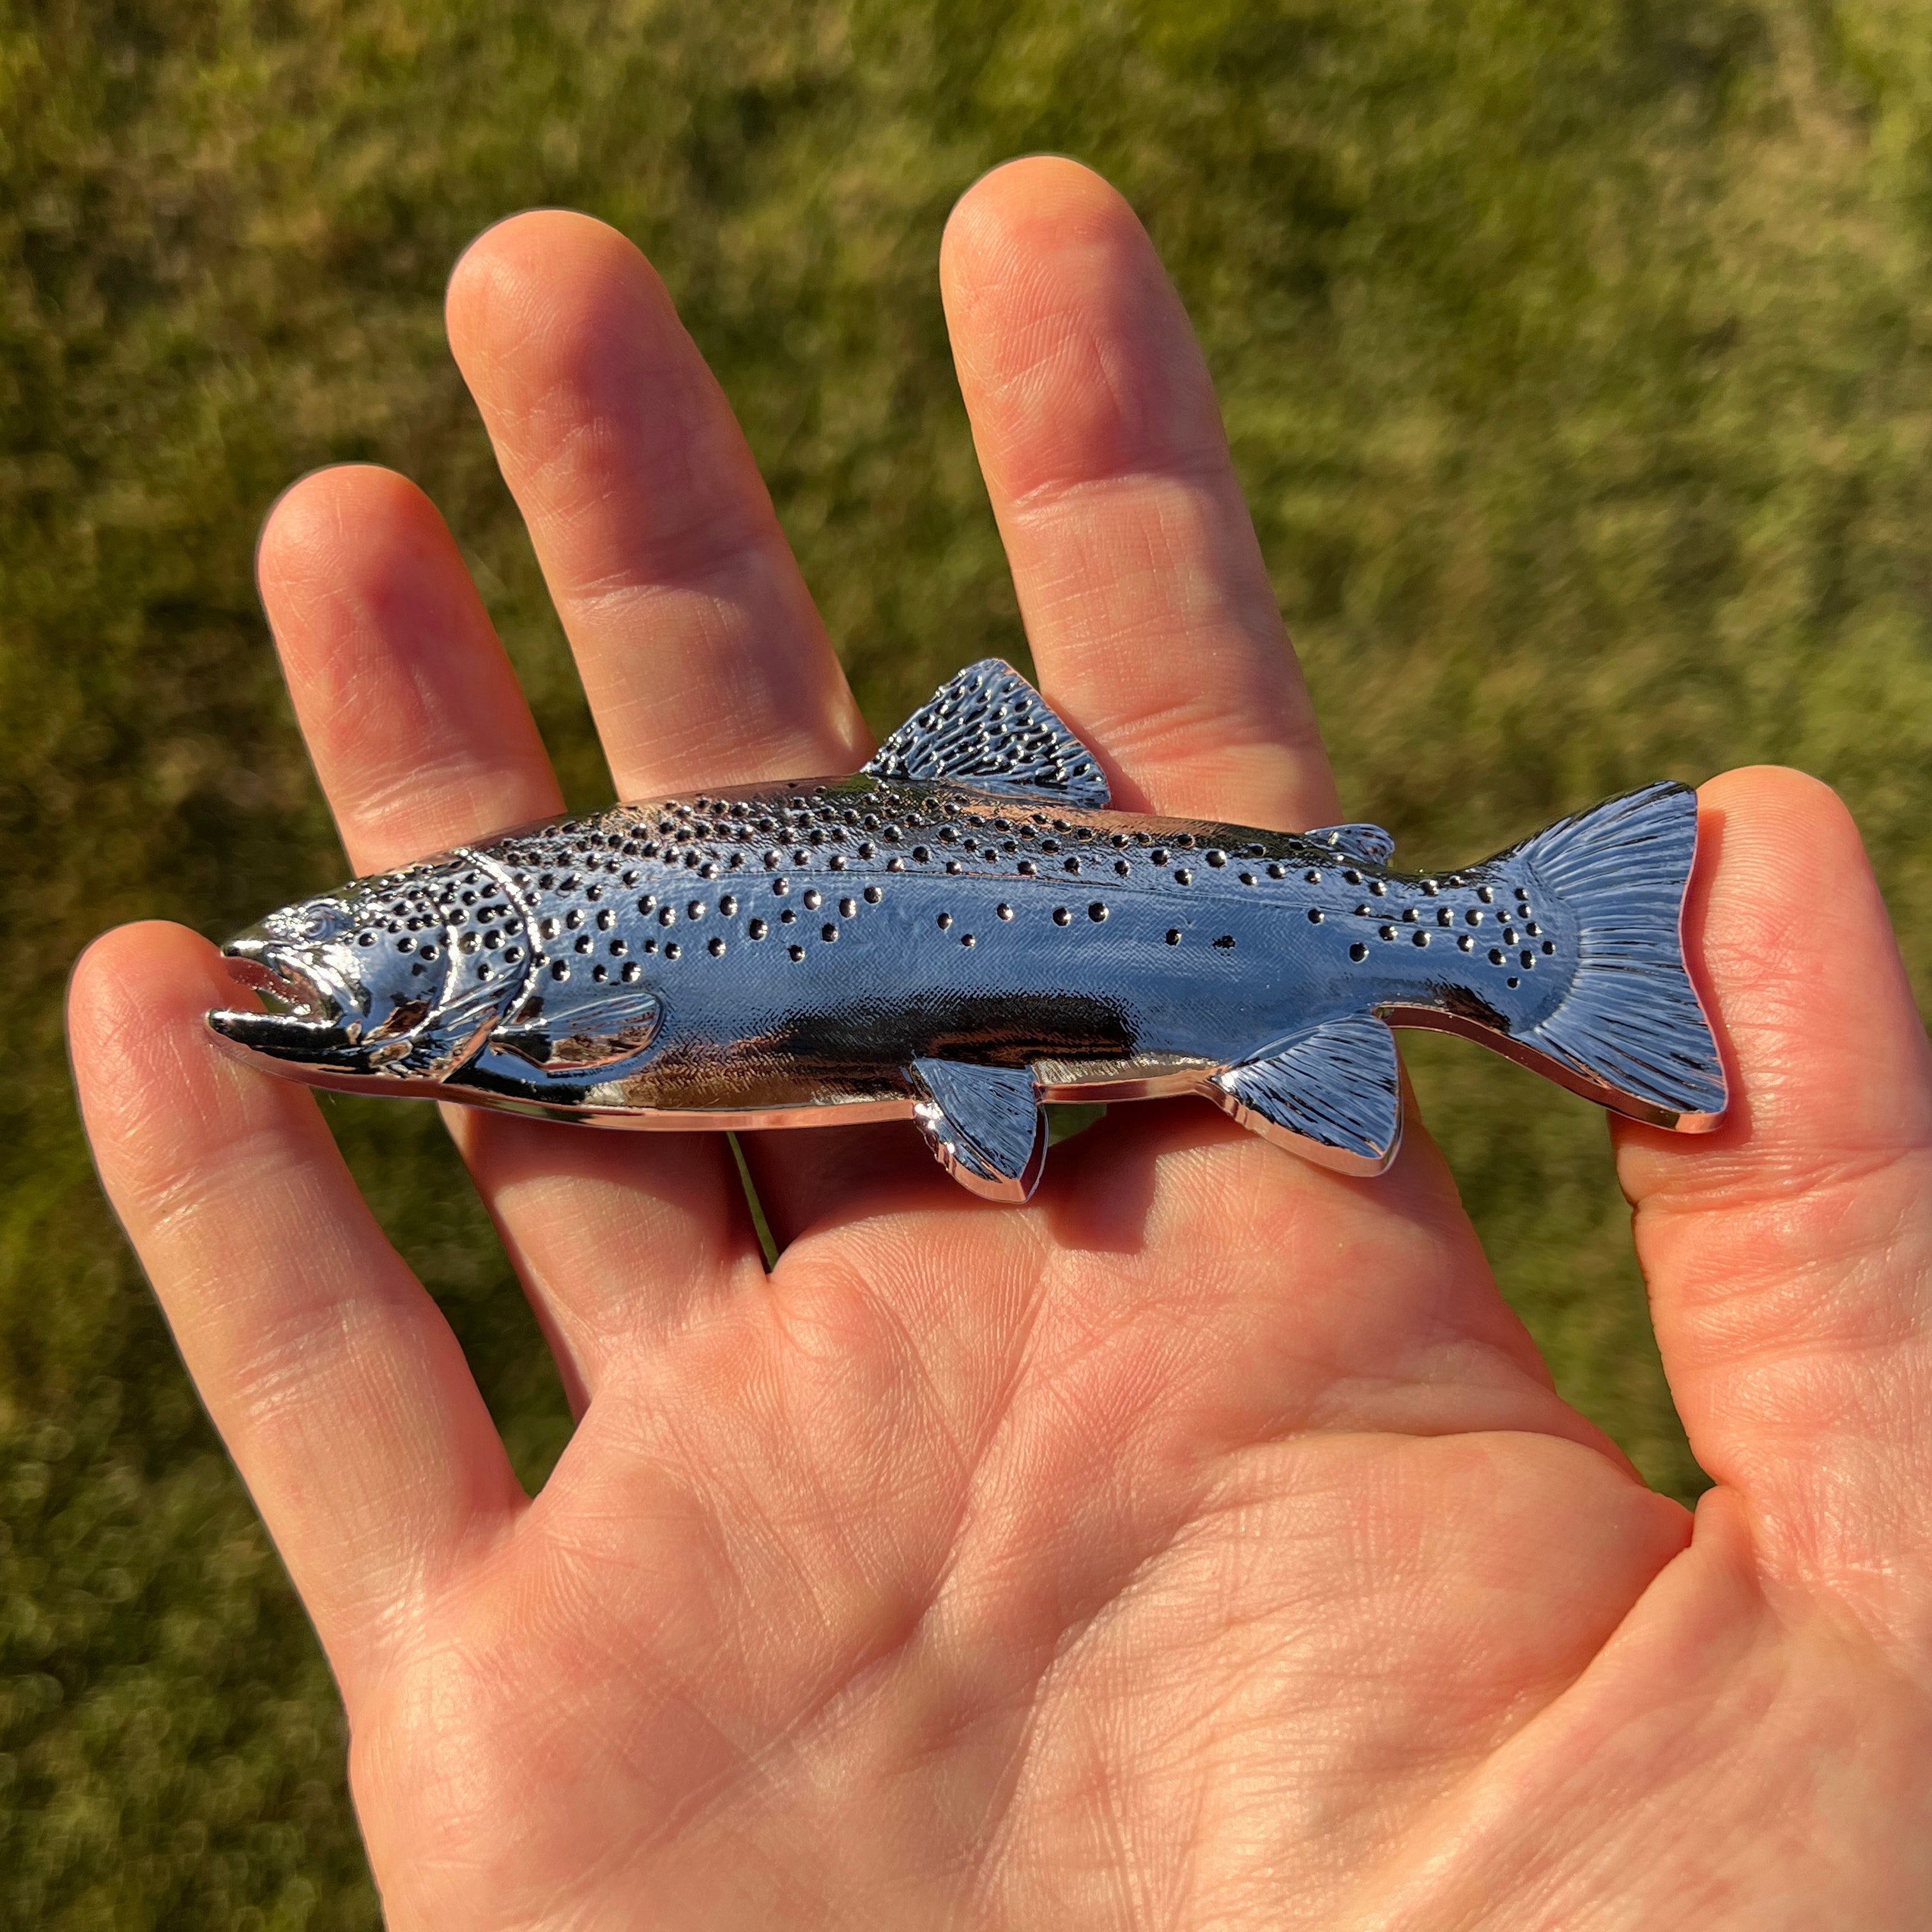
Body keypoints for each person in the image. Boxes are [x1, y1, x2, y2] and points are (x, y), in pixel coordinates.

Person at [68, 157, 1931, 1928]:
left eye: (357, 951)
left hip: (1126, 964)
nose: (320, 974)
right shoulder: (528, 1012)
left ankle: (1506, 943)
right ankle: (1464, 942)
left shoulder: (549, 1015)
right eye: (343, 955)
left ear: (463, 947)